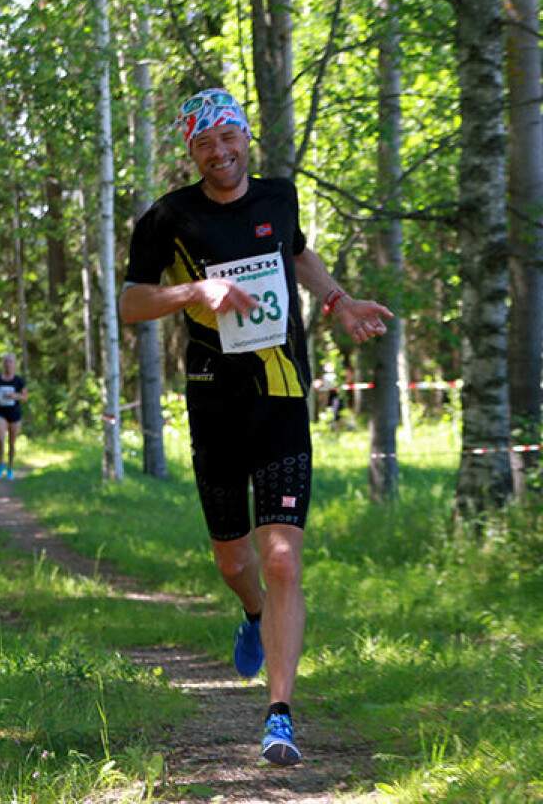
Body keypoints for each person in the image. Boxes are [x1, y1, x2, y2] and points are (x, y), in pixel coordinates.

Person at [119, 88, 392, 767]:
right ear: (192, 152)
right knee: (235, 561)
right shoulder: (167, 218)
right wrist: (192, 292)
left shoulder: (278, 197)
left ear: (246, 137)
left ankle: (279, 716)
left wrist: (337, 299)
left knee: (281, 558)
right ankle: (248, 613)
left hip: (281, 396)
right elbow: (130, 303)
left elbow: (297, 254)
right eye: (205, 143)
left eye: (228, 137)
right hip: (214, 404)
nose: (220, 152)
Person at [0, 353, 27, 480]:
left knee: (11, 442)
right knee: (0, 438)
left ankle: (10, 468)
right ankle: (1, 464)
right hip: (0, 413)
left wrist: (15, 396)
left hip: (14, 414)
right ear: (3, 363)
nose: (8, 364)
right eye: (6, 361)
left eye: (11, 362)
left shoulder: (19, 381)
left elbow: (25, 397)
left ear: (14, 364)